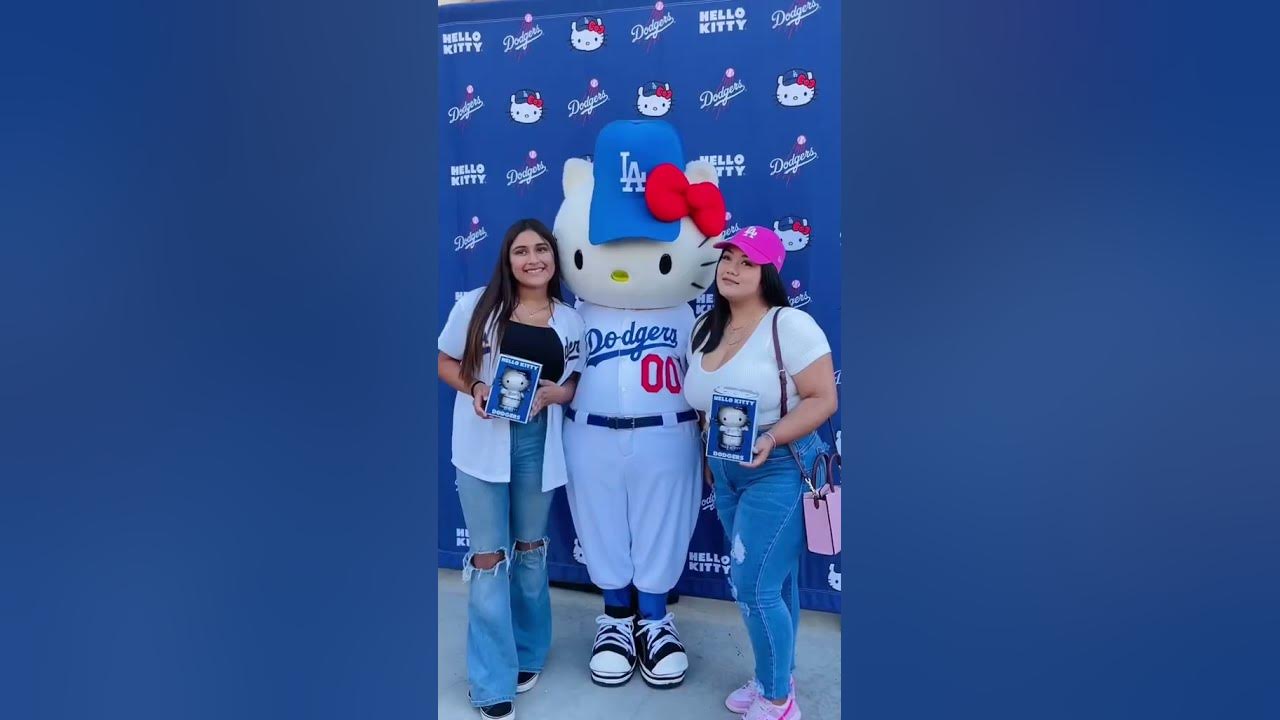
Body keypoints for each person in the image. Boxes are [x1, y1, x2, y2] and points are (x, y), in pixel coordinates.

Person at [683, 225, 838, 720]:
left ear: (767, 272)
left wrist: (772, 437)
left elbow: (823, 398)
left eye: (746, 262)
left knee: (754, 586)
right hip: (726, 470)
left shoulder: (788, 326)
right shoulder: (704, 327)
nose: (731, 267)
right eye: (727, 257)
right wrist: (712, 459)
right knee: (776, 581)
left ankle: (777, 701)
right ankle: (776, 676)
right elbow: (706, 406)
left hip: (779, 467)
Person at [437, 218, 586, 720]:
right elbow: (445, 361)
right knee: (487, 559)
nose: (532, 259)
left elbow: (574, 381)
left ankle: (528, 650)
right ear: (507, 258)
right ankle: (491, 681)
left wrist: (557, 393)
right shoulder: (476, 306)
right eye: (521, 251)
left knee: (528, 552)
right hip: (482, 445)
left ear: (553, 258)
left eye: (541, 249)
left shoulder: (570, 319)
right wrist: (477, 389)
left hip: (537, 444)